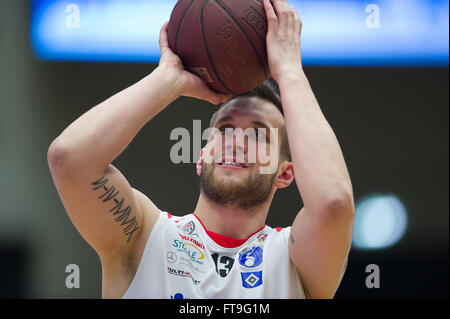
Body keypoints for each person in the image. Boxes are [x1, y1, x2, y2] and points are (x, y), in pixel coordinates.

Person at [47, 0, 354, 299]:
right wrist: (168, 80)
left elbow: (333, 202)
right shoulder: (143, 237)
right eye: (225, 129)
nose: (237, 140)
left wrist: (289, 71)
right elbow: (69, 160)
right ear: (202, 155)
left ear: (286, 173)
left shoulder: (295, 260)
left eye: (259, 134)